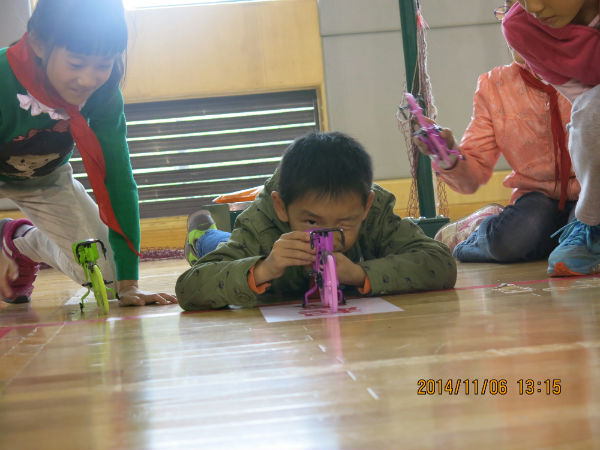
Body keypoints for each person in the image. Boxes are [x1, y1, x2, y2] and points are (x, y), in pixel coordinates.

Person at [0, 0, 177, 306]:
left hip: (46, 178)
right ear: (39, 43)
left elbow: (117, 179)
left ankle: (20, 242)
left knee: (109, 280)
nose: (87, 80)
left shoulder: (103, 91)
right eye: (76, 64)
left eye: (103, 65)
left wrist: (129, 283)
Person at [176, 131, 457, 310]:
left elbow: (440, 263)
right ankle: (202, 234)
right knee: (220, 244)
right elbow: (189, 288)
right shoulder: (261, 221)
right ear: (281, 207)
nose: (328, 237)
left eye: (343, 224)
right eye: (312, 222)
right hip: (245, 243)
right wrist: (263, 268)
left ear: (365, 207)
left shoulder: (374, 211)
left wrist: (360, 274)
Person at [414, 0, 578, 264]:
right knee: (516, 238)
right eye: (508, 14)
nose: (514, 25)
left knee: (584, 231)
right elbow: (472, 176)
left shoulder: (586, 71)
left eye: (526, 14)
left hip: (591, 190)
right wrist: (449, 157)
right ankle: (474, 232)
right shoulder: (495, 86)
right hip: (538, 198)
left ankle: (553, 240)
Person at [502, 0, 600, 276]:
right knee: (518, 236)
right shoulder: (522, 29)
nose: (534, 6)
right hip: (551, 193)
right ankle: (591, 224)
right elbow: (586, 108)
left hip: (580, 189)